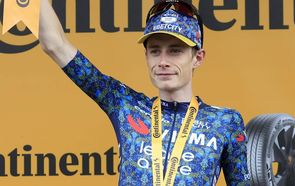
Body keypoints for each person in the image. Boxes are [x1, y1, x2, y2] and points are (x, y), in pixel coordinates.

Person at [39, 0, 251, 185]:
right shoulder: (124, 105)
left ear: (198, 57)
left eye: (175, 51)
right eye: (155, 51)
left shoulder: (225, 122)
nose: (163, 62)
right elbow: (53, 44)